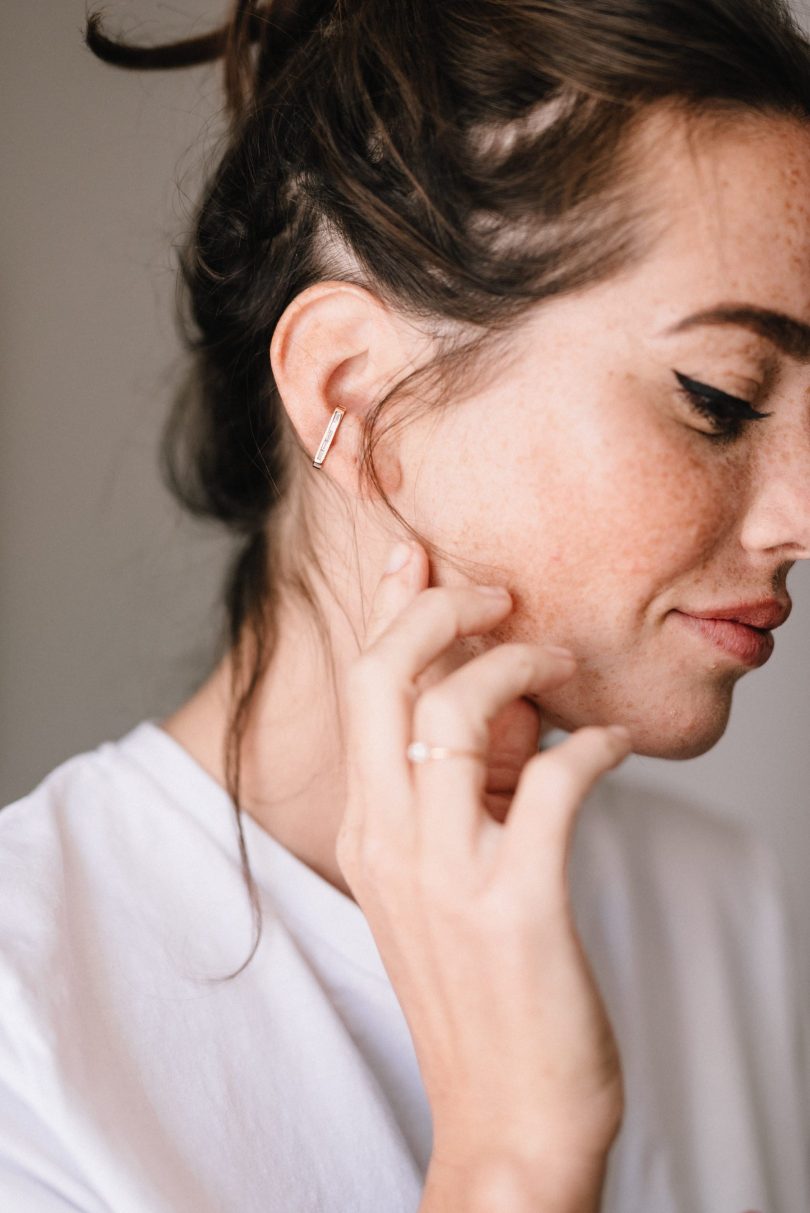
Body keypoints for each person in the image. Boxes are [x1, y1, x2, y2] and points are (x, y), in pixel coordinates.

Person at [2, 0, 809, 1209]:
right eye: (723, 397)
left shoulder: (716, 904)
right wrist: (514, 1161)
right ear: (356, 391)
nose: (800, 509)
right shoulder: (28, 1029)